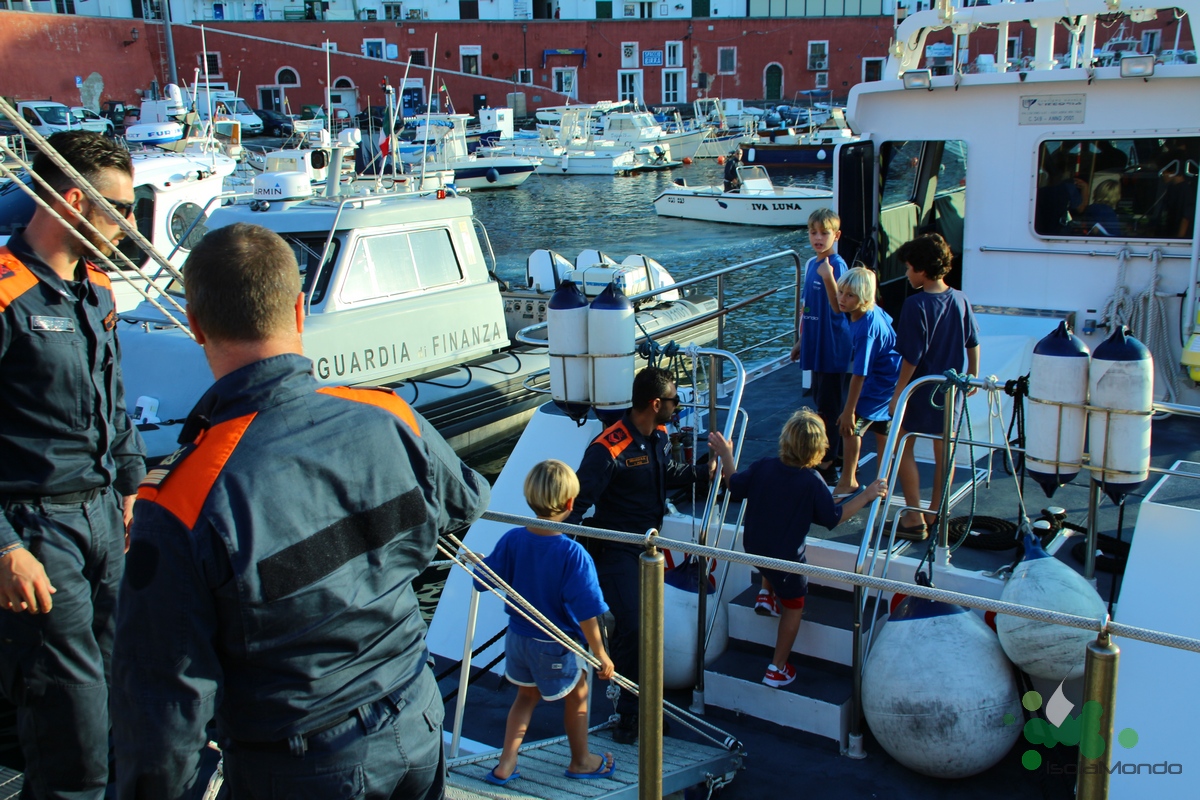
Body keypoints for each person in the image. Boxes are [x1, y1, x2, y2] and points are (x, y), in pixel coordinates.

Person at [112, 222, 490, 799]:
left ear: (193, 325)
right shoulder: (392, 416)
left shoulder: (182, 500)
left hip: (301, 767)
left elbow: (164, 705)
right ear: (296, 309)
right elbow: (470, 504)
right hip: (416, 722)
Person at [0, 129, 146, 798]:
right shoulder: (6, 298)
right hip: (35, 531)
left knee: (122, 701)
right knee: (73, 733)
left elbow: (111, 401)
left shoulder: (97, 291)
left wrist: (130, 484)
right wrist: (4, 548)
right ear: (70, 202)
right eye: (117, 209)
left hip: (101, 523)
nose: (129, 227)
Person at [567, 366, 707, 743]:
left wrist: (701, 473)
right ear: (656, 403)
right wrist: (567, 561)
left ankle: (640, 706)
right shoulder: (608, 448)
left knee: (644, 630)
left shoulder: (658, 436)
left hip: (647, 552)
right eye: (675, 400)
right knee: (633, 627)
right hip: (615, 552)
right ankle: (631, 715)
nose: (679, 406)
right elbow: (577, 505)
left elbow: (665, 473)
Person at [709, 410, 886, 687]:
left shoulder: (764, 465)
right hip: (786, 562)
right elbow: (833, 518)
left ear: (785, 440)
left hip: (754, 548)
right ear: (818, 449)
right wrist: (866, 495)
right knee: (794, 605)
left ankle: (765, 594)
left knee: (771, 540)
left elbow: (734, 484)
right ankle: (777, 668)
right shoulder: (812, 482)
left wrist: (727, 456)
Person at [475, 460, 616, 786]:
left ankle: (506, 764)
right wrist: (600, 654)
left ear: (530, 498)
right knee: (578, 694)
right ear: (570, 504)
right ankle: (581, 761)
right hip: (554, 645)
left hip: (518, 640)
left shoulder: (512, 540)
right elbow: (587, 612)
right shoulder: (573, 554)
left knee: (525, 698)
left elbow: (482, 581)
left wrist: (480, 563)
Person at [888, 233, 980, 540]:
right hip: (949, 390)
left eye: (909, 267)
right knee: (945, 453)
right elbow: (973, 342)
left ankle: (914, 517)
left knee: (902, 445)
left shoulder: (915, 306)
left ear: (923, 270)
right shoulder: (961, 299)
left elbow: (911, 357)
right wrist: (973, 376)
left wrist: (899, 392)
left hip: (920, 389)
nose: (906, 273)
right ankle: (937, 513)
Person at [788, 207, 852, 485]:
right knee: (820, 401)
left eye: (824, 233)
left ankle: (830, 461)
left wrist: (829, 277)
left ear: (836, 235)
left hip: (833, 348)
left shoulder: (837, 266)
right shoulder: (813, 264)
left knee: (831, 407)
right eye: (813, 232)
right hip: (815, 344)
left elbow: (842, 307)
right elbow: (808, 308)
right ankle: (826, 455)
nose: (818, 238)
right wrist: (802, 340)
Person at [832, 266, 902, 499]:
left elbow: (860, 374)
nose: (842, 298)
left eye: (849, 295)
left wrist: (849, 410)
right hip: (891, 378)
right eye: (841, 292)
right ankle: (882, 484)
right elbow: (890, 326)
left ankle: (848, 481)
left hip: (879, 383)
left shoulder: (865, 330)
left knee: (850, 429)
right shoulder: (874, 312)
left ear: (862, 298)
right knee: (883, 433)